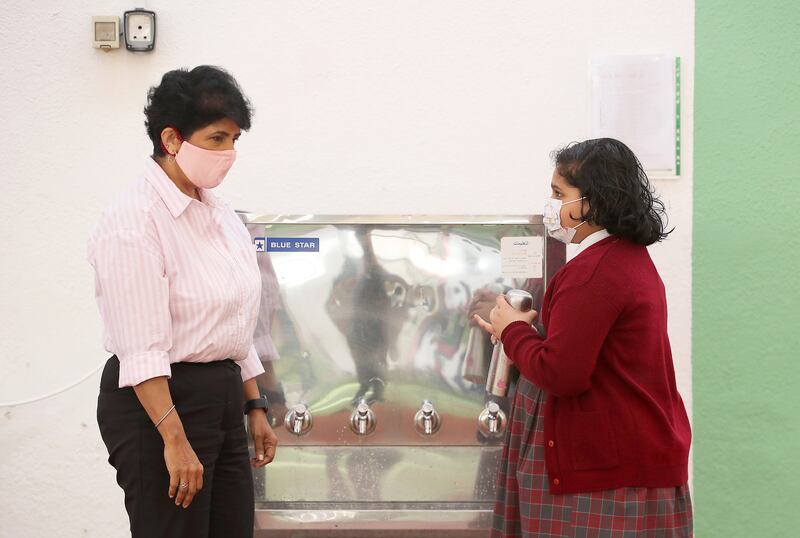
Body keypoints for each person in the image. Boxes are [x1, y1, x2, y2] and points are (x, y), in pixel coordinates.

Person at [89, 65, 278, 538]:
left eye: (235, 139)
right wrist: (173, 439)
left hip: (221, 394)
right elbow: (141, 349)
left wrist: (255, 406)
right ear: (171, 139)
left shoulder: (218, 213)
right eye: (216, 139)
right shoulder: (134, 220)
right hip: (159, 402)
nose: (229, 153)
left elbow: (235, 323)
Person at [474, 138, 693, 537]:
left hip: (602, 474)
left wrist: (514, 331)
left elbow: (563, 373)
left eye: (559, 194)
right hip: (630, 458)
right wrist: (518, 333)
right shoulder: (624, 259)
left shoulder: (593, 273)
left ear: (592, 203)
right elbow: (587, 350)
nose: (550, 205)